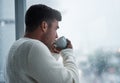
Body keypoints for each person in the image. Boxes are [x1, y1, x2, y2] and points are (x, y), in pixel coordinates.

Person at [5, 4, 79, 83]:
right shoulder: (34, 47)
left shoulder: (16, 45)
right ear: (44, 26)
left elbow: (40, 73)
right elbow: (72, 81)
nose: (56, 36)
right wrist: (68, 52)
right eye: (55, 29)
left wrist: (53, 54)